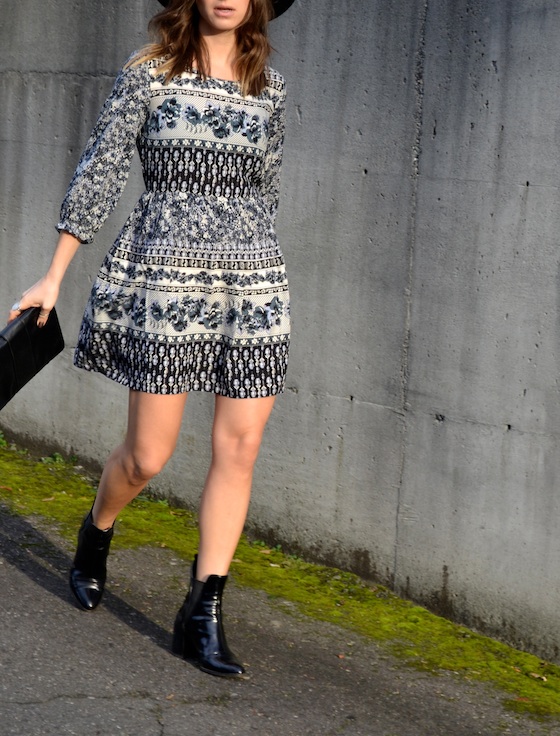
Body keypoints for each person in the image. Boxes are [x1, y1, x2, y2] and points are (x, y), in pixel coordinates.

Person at [7, 0, 295, 677]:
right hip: (163, 276)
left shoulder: (271, 90)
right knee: (147, 456)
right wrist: (53, 277)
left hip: (251, 282)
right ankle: (97, 531)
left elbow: (267, 188)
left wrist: (254, 259)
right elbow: (101, 172)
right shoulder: (150, 74)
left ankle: (203, 610)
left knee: (241, 445)